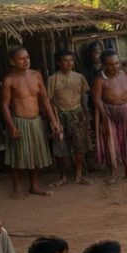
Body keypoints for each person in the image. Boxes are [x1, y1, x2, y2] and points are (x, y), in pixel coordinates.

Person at [0, 47, 62, 199]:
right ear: (12, 62)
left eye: (27, 57)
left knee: (36, 154)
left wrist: (54, 120)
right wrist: (11, 126)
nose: (26, 60)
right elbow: (4, 105)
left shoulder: (36, 75)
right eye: (21, 58)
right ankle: (17, 188)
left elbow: (45, 99)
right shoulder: (9, 80)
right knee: (17, 155)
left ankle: (34, 186)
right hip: (19, 121)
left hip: (36, 122)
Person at [93, 50, 127, 182]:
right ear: (103, 65)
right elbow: (97, 100)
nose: (114, 67)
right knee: (111, 143)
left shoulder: (123, 74)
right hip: (109, 113)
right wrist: (104, 118)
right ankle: (113, 172)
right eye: (110, 64)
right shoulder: (100, 80)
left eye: (116, 63)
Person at [46, 49, 93, 186]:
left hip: (77, 114)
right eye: (65, 60)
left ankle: (78, 175)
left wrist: (86, 115)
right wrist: (53, 120)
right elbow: (49, 100)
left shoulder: (79, 77)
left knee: (80, 145)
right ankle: (63, 176)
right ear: (59, 63)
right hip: (59, 115)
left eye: (71, 60)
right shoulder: (52, 79)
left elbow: (84, 98)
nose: (69, 63)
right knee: (60, 147)